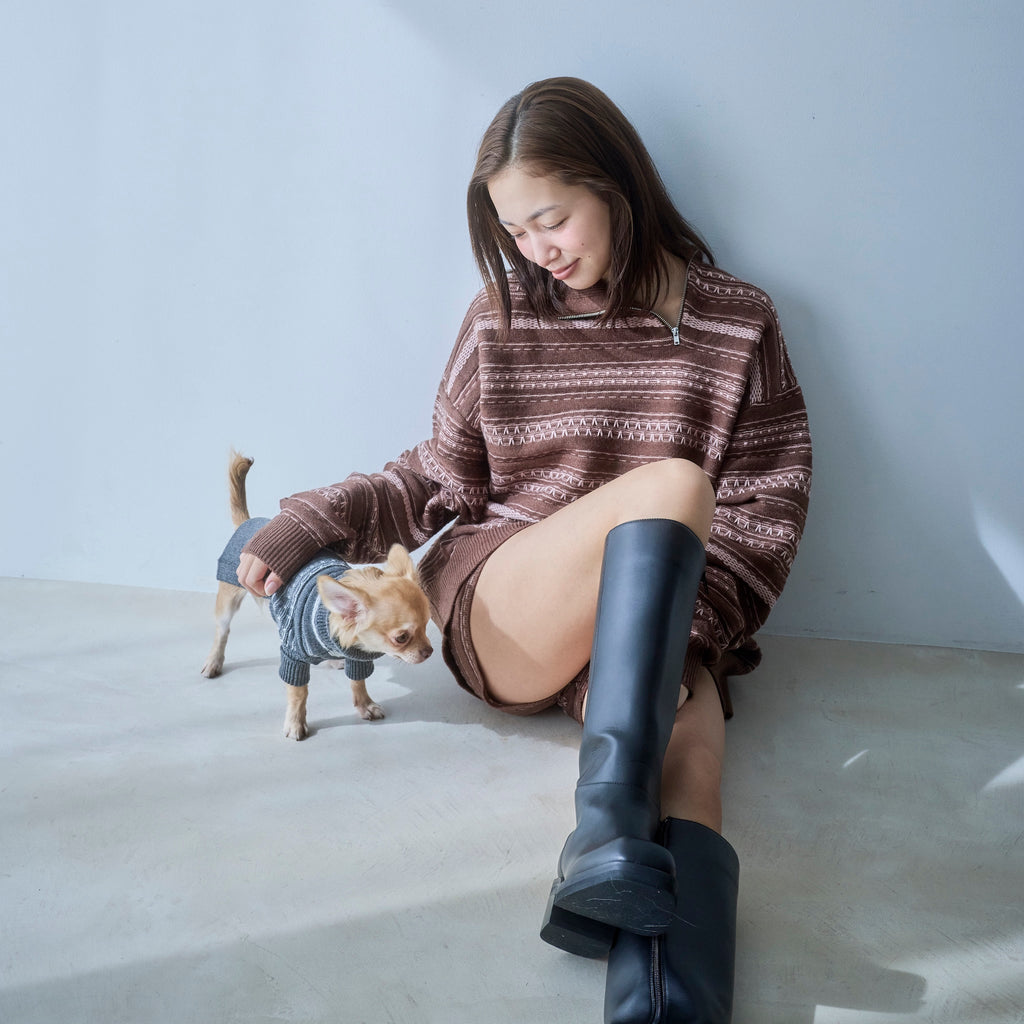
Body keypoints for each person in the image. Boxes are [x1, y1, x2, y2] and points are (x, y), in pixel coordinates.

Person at [236, 77, 811, 1023]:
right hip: (508, 606)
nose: (539, 249)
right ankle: (602, 836)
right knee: (676, 486)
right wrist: (314, 517)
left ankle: (668, 1000)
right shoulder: (501, 317)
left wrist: (682, 635)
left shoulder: (740, 321)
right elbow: (437, 473)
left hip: (658, 629)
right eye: (517, 231)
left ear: (617, 187)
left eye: (554, 220)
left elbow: (767, 512)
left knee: (695, 762)